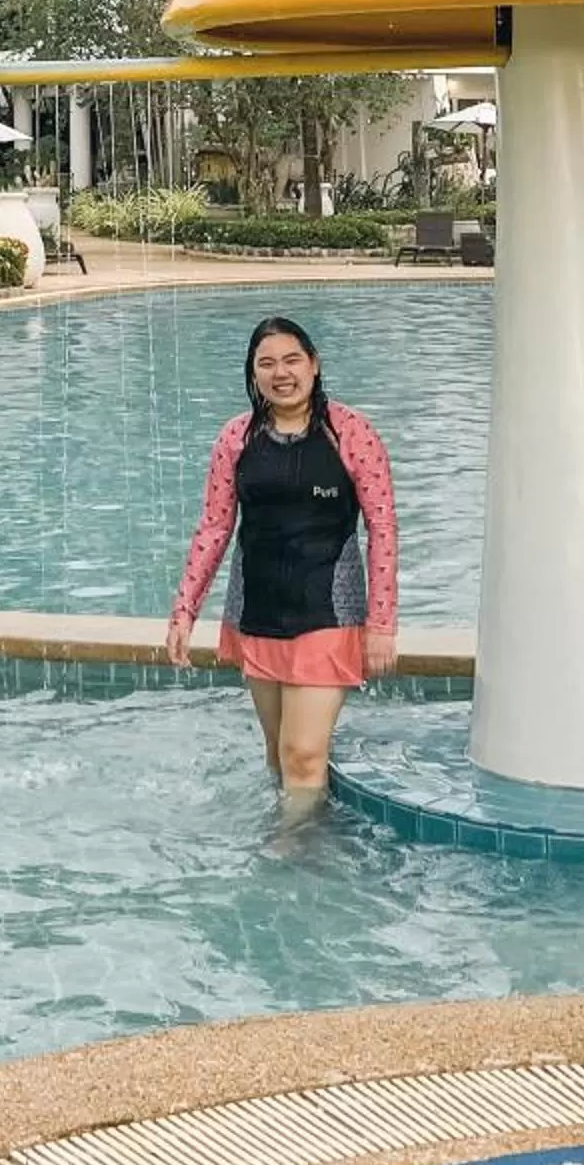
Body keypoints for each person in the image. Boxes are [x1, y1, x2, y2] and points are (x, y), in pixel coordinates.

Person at [165, 316, 397, 804]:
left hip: (328, 611)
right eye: (266, 364)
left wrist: (382, 624)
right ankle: (304, 837)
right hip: (257, 612)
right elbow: (214, 526)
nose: (281, 373)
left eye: (292, 360)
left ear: (314, 364)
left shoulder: (351, 432)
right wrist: (184, 610)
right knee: (277, 755)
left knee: (303, 755)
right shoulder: (236, 438)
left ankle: (296, 858)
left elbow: (382, 529)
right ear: (253, 375)